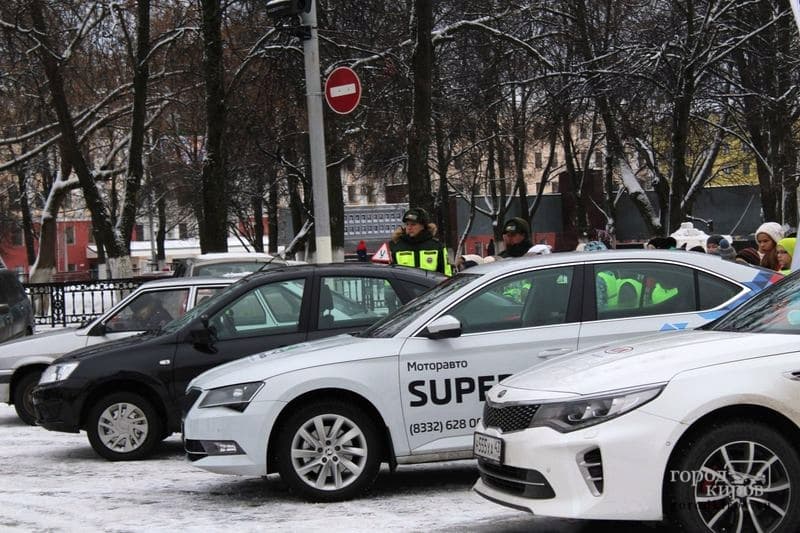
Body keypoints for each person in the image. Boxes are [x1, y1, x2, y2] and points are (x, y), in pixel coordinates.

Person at [388, 207, 452, 276]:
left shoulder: (436, 247)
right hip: (405, 286)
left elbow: (446, 274)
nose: (409, 228)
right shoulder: (397, 247)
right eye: (407, 224)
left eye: (413, 224)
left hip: (431, 286)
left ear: (423, 226)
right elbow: (391, 275)